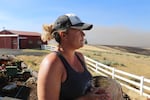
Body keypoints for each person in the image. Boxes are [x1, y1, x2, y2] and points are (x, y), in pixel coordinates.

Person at [37, 13, 111, 100]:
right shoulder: (52, 63)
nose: (83, 34)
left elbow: (81, 88)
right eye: (79, 30)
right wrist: (86, 98)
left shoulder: (80, 57)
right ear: (64, 35)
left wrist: (94, 91)